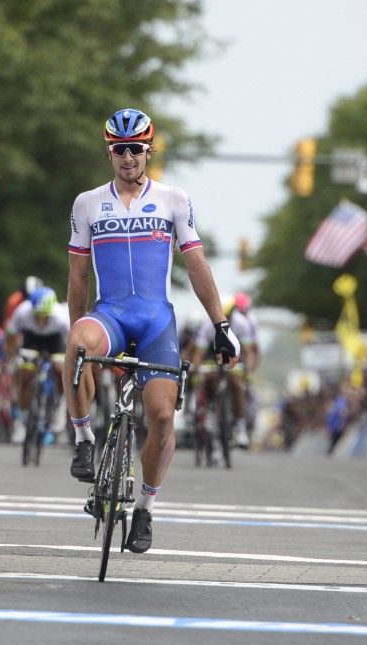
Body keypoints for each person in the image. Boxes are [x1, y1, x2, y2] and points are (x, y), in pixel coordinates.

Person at [63, 108, 240, 553]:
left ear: (149, 151)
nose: (128, 158)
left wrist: (221, 324)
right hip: (111, 315)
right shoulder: (87, 203)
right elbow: (78, 276)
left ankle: (144, 507)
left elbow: (196, 265)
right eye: (119, 149)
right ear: (109, 152)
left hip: (156, 320)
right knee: (78, 343)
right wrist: (77, 329)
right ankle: (84, 440)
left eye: (136, 149)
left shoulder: (173, 200)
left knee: (161, 416)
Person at [190, 292, 259, 448]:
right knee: (206, 378)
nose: (225, 318)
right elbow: (199, 353)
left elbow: (249, 352)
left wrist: (248, 367)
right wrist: (195, 367)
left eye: (229, 315)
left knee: (237, 384)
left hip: (235, 357)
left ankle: (240, 427)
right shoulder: (208, 325)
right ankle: (208, 411)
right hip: (212, 356)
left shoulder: (242, 323)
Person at [4, 286, 70, 443]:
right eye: (37, 316)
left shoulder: (60, 316)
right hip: (32, 339)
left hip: (55, 340)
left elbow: (71, 341)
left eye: (44, 316)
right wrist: (11, 353)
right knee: (25, 375)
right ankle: (22, 420)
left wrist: (67, 359)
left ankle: (59, 405)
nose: (40, 321)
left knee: (59, 368)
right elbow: (11, 333)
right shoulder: (22, 311)